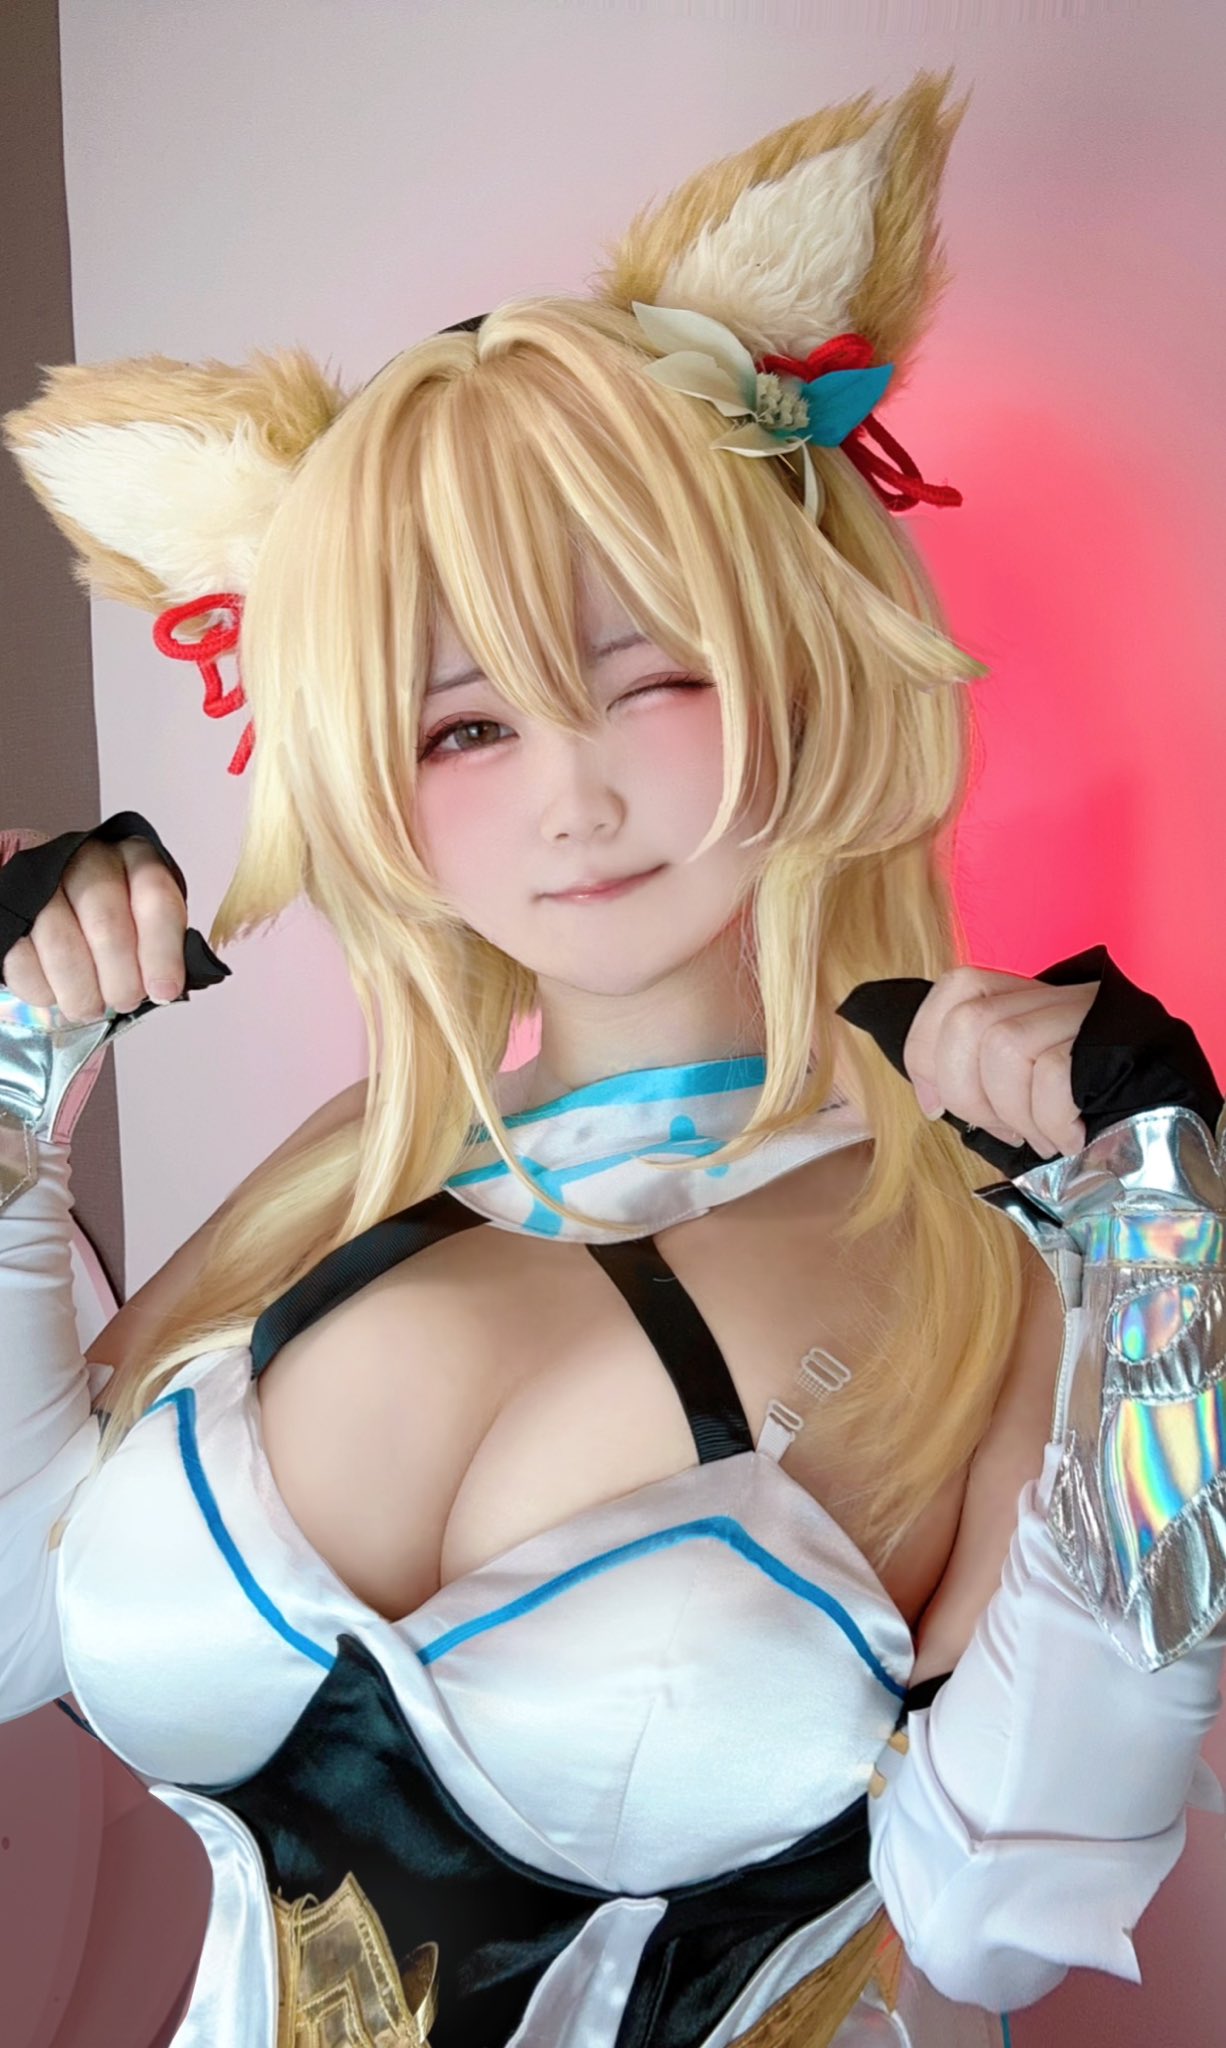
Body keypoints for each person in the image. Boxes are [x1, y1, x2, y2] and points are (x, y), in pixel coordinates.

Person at [2, 66, 1224, 2048]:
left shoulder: (974, 1253)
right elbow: (11, 1616)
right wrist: (15, 1089)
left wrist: (1164, 1259)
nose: (568, 799)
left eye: (647, 678)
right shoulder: (335, 1193)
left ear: (804, 665)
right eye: (464, 728)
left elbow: (1006, 1901)